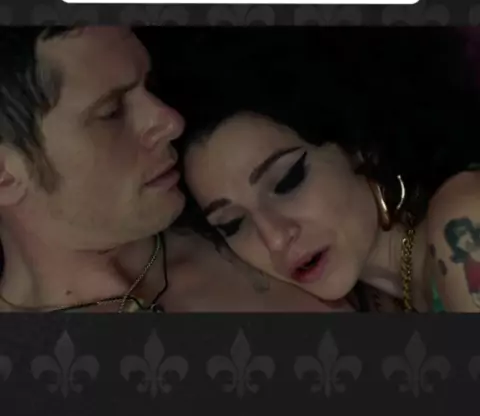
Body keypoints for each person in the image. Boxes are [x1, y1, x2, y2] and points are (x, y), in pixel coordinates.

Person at [0, 25, 354, 313]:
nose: (171, 122)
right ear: (4, 174)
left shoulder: (251, 220)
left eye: (149, 86)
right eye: (112, 113)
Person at [173, 27, 480, 313]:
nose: (274, 239)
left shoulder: (462, 220)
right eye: (232, 224)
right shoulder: (369, 303)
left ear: (358, 145)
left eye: (287, 182)